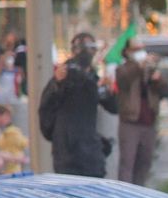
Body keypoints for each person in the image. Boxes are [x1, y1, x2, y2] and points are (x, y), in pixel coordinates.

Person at [38, 32, 117, 178]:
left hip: (90, 151)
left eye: (90, 48)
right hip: (67, 152)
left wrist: (108, 90)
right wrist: (58, 83)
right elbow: (46, 106)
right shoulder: (65, 75)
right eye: (82, 48)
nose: (87, 53)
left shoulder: (93, 78)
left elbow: (113, 107)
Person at [115, 37, 166, 187]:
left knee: (145, 162)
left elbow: (163, 88)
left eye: (141, 49)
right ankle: (124, 195)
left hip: (148, 120)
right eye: (136, 49)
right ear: (128, 51)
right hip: (130, 121)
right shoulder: (124, 68)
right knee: (128, 162)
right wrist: (139, 65)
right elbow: (124, 79)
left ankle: (140, 193)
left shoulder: (149, 68)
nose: (140, 53)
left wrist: (156, 77)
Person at [0, 105, 28, 175]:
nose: (9, 119)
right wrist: (17, 158)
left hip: (6, 171)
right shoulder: (11, 132)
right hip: (10, 171)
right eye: (6, 116)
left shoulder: (2, 133)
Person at [0, 30, 22, 104]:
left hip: (12, 80)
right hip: (4, 79)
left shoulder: (17, 53)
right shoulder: (0, 53)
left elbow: (19, 69)